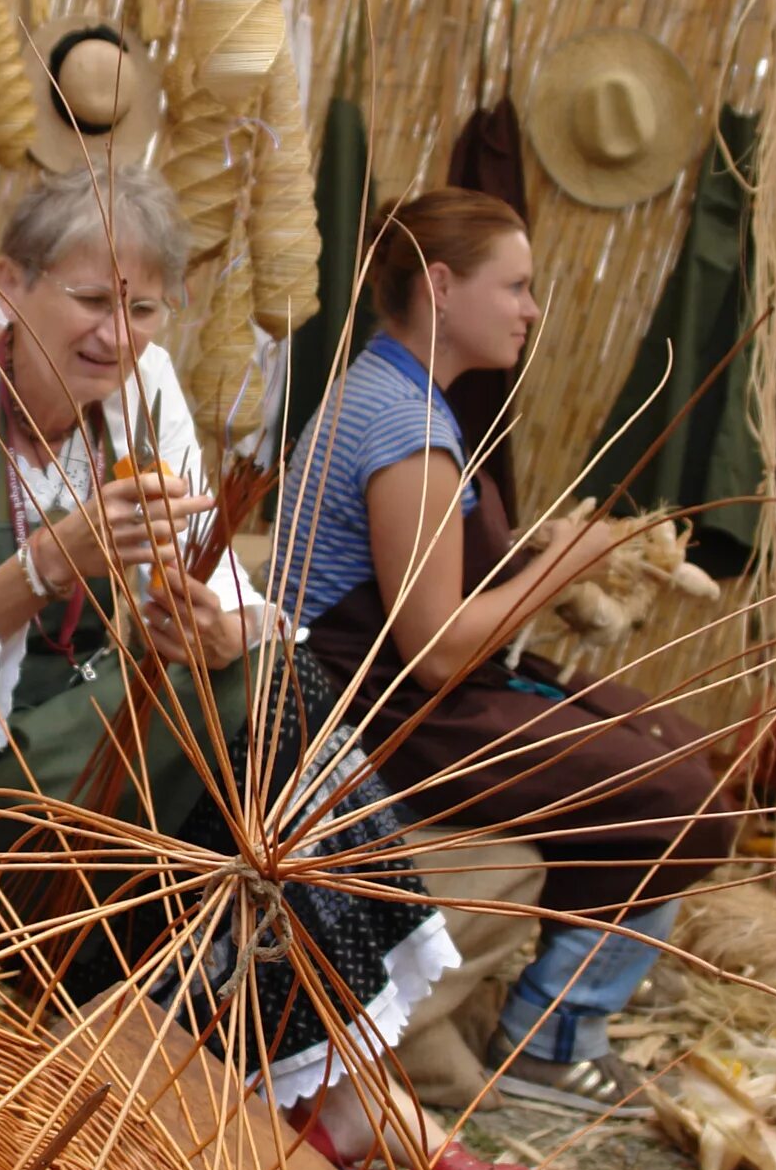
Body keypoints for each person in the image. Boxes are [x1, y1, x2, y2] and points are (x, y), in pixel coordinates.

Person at [0, 165, 530, 1170]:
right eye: (92, 300)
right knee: (255, 711)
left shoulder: (141, 388)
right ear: (10, 281)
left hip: (75, 707)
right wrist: (49, 561)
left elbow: (221, 579)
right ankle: (339, 1089)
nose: (119, 333)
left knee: (259, 679)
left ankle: (316, 1080)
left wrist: (215, 625)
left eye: (142, 307)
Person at [275, 189, 736, 1118]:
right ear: (442, 287)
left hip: (412, 695)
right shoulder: (404, 427)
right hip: (374, 716)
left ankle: (557, 999)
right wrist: (562, 565)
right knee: (683, 798)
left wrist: (540, 550)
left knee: (675, 744)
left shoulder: (398, 393)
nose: (531, 308)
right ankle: (554, 1034)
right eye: (516, 287)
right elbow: (437, 651)